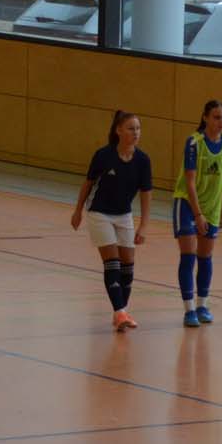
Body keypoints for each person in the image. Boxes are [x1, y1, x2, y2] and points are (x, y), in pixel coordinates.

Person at [71, 110, 152, 331]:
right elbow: (88, 184)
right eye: (131, 128)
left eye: (138, 129)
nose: (136, 133)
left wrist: (144, 225)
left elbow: (146, 194)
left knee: (128, 266)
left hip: (124, 214)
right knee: (113, 262)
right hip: (99, 213)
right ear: (118, 131)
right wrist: (77, 211)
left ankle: (121, 311)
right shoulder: (103, 156)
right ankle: (120, 312)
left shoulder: (143, 160)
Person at [173, 100, 222, 327]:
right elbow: (190, 181)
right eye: (217, 117)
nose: (221, 122)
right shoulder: (194, 143)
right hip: (188, 203)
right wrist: (198, 214)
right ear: (205, 118)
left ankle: (202, 305)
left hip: (213, 208)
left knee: (205, 256)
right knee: (188, 255)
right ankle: (189, 309)